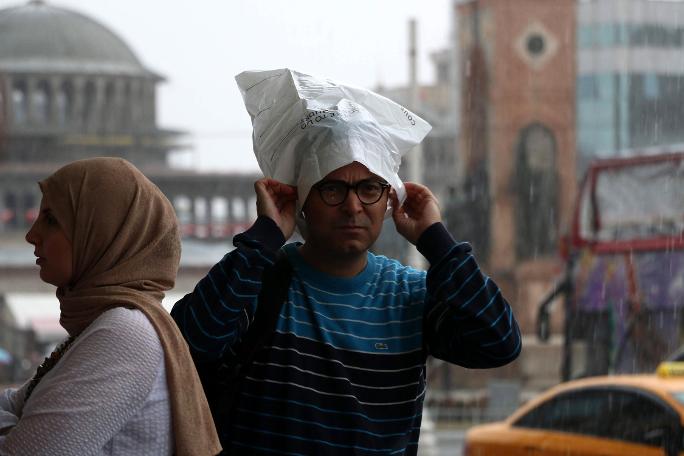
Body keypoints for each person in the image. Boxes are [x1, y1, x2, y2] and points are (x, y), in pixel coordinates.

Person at [171, 69, 522, 455]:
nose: (353, 206)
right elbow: (190, 342)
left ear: (389, 199)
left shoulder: (408, 295)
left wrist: (436, 240)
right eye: (332, 188)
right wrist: (266, 236)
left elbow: (499, 342)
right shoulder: (259, 283)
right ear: (302, 199)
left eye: (369, 188)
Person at [0, 158, 221, 456]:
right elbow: (16, 403)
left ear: (102, 233)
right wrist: (18, 422)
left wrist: (18, 427)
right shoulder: (110, 322)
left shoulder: (124, 333)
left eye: (51, 220)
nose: (31, 234)